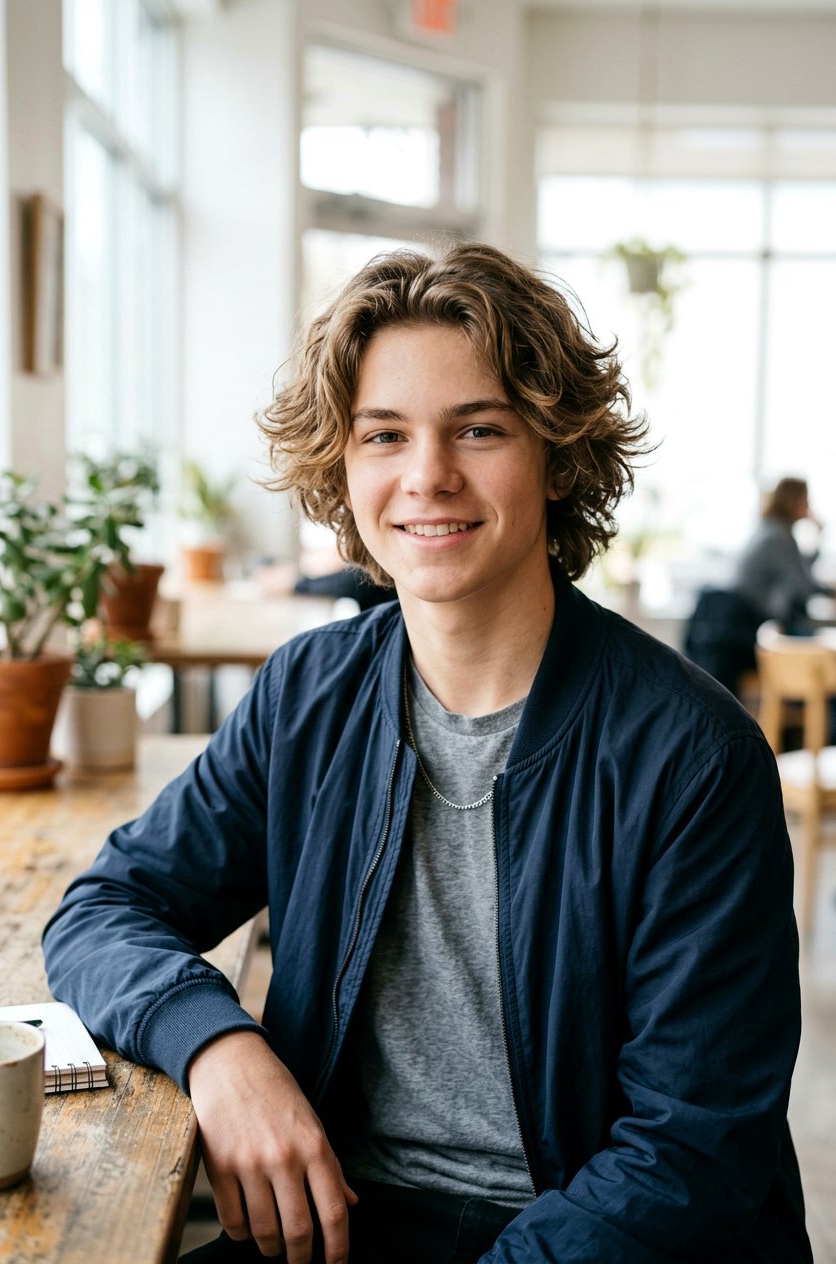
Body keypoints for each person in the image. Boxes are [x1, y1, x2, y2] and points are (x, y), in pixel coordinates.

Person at [43, 243, 811, 1264]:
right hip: (344, 1223)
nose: (426, 476)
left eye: (478, 429)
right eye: (383, 435)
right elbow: (103, 909)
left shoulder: (692, 756)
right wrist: (218, 1046)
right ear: (342, 465)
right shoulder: (307, 695)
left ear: (555, 454)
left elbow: (690, 1152)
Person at [735, 476, 833, 633]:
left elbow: (799, 571)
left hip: (755, 616)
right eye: (806, 500)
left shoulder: (770, 529)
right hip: (763, 619)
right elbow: (803, 584)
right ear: (793, 501)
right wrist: (830, 592)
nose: (809, 506)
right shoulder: (778, 538)